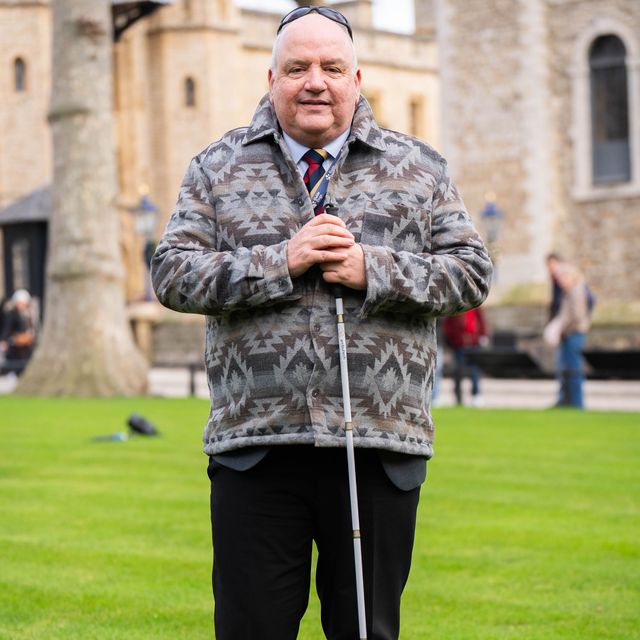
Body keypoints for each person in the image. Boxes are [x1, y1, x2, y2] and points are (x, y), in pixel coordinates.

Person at [151, 6, 493, 639]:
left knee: (366, 631)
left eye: (332, 68)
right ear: (271, 77)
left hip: (378, 447)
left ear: (357, 78)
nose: (315, 81)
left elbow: (472, 273)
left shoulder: (418, 168)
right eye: (298, 68)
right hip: (256, 448)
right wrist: (280, 260)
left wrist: (375, 270)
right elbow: (171, 274)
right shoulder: (216, 167)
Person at [545, 254, 594, 407]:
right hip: (568, 333)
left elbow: (576, 316)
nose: (560, 281)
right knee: (566, 368)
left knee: (573, 369)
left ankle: (577, 403)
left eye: (562, 278)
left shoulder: (577, 291)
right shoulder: (569, 292)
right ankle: (566, 401)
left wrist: (560, 329)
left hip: (574, 333)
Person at [443, 307, 489, 406]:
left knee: (474, 370)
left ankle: (475, 395)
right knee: (458, 372)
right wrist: (452, 340)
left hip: (473, 343)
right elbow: (448, 326)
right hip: (459, 344)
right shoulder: (456, 306)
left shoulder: (476, 306)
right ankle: (458, 397)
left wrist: (483, 335)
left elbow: (481, 321)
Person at [0, 289, 36, 375]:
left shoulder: (28, 314)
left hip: (26, 346)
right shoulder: (12, 314)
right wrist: (4, 340)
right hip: (15, 345)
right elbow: (7, 329)